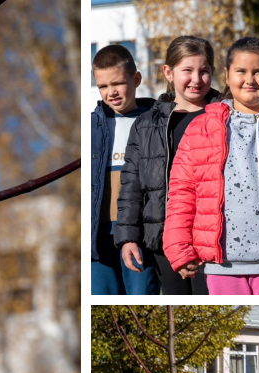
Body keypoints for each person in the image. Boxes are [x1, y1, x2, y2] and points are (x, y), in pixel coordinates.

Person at [163, 36, 259, 295]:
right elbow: (182, 191)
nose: (250, 79)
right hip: (221, 263)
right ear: (226, 74)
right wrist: (179, 247)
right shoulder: (201, 128)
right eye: (241, 71)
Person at [115, 36, 220, 295]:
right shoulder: (146, 124)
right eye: (187, 70)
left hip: (212, 238)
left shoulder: (225, 116)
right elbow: (131, 185)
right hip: (162, 238)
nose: (196, 79)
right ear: (168, 72)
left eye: (204, 71)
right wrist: (128, 237)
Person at [89, 44, 159, 295]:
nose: (111, 93)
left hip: (140, 234)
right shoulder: (91, 127)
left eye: (117, 83)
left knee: (141, 298)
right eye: (103, 86)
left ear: (136, 79)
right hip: (98, 237)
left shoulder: (156, 123)